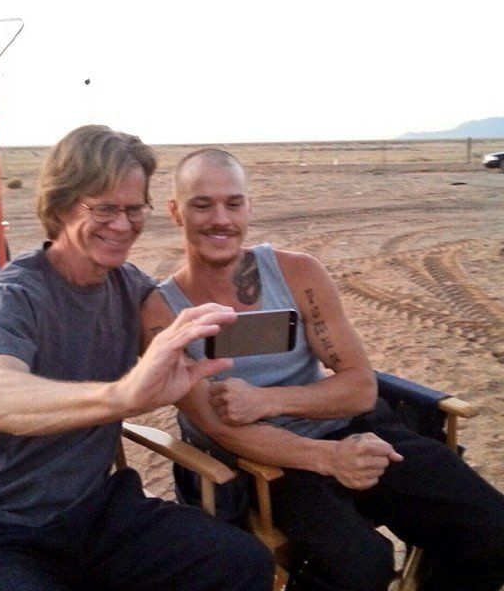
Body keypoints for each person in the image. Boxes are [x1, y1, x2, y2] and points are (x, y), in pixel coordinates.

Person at [141, 147, 504, 591]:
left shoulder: (298, 274)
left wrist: (267, 400)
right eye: (202, 204)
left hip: (352, 431)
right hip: (270, 463)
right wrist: (329, 458)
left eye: (233, 203)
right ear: (176, 212)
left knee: (490, 527)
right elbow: (224, 429)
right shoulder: (161, 312)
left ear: (248, 207)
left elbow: (359, 389)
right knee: (361, 565)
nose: (221, 219)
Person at [0, 127, 274, 591]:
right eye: (104, 208)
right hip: (3, 526)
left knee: (242, 563)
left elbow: (197, 329)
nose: (122, 224)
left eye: (134, 209)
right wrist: (121, 396)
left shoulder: (130, 288)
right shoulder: (16, 293)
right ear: (60, 205)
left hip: (97, 510)